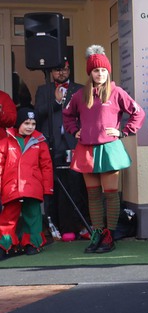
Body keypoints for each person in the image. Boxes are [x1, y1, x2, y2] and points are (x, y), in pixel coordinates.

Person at [62, 46, 145, 254]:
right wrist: (74, 130)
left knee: (110, 194)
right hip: (86, 149)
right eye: (96, 70)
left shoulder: (117, 92)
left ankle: (110, 235)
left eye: (103, 70)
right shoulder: (80, 95)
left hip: (109, 148)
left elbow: (138, 113)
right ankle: (97, 233)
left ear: (108, 71)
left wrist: (123, 132)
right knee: (93, 195)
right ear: (90, 73)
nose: (100, 74)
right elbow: (67, 115)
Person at [34, 59, 87, 239]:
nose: (61, 73)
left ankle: (79, 224)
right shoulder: (44, 90)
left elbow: (86, 113)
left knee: (77, 184)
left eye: (64, 69)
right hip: (52, 143)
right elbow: (37, 114)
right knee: (53, 185)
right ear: (51, 72)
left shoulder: (80, 89)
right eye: (57, 70)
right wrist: (56, 102)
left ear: (69, 70)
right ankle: (54, 225)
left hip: (74, 142)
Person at [0, 108, 53, 258]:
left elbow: (46, 167)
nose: (30, 127)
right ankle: (5, 245)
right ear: (18, 123)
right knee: (8, 218)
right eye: (26, 123)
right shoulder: (5, 142)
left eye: (33, 123)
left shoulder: (40, 142)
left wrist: (48, 188)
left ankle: (32, 244)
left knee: (33, 217)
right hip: (11, 187)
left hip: (32, 188)